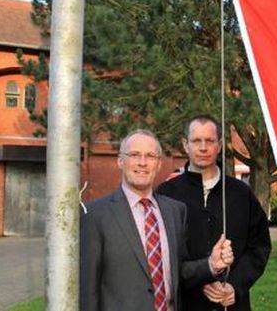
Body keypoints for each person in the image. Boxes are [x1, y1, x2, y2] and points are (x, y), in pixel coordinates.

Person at [80, 129, 234, 311]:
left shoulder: (175, 211)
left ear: (159, 164)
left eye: (151, 156)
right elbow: (87, 290)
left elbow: (178, 271)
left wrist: (211, 264)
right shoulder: (95, 214)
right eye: (134, 155)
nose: (143, 162)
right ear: (120, 161)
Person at [157, 115, 272, 310]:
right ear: (186, 145)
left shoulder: (241, 194)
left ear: (219, 145)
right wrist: (201, 274)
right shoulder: (166, 194)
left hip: (233, 304)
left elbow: (259, 246)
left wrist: (235, 286)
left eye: (210, 141)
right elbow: (162, 257)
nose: (203, 147)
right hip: (186, 304)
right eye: (196, 141)